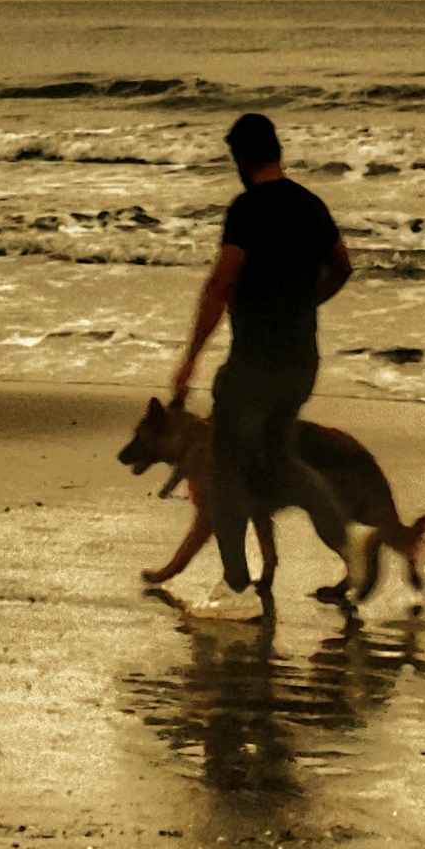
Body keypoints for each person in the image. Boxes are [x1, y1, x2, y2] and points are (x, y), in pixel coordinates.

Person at [169, 109, 375, 621]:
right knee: (283, 460)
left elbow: (221, 284)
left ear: (241, 158)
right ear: (277, 151)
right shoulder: (311, 205)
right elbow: (343, 265)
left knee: (225, 469)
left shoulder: (247, 209)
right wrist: (306, 303)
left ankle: (236, 588)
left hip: (254, 363)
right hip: (301, 361)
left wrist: (190, 358)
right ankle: (349, 545)